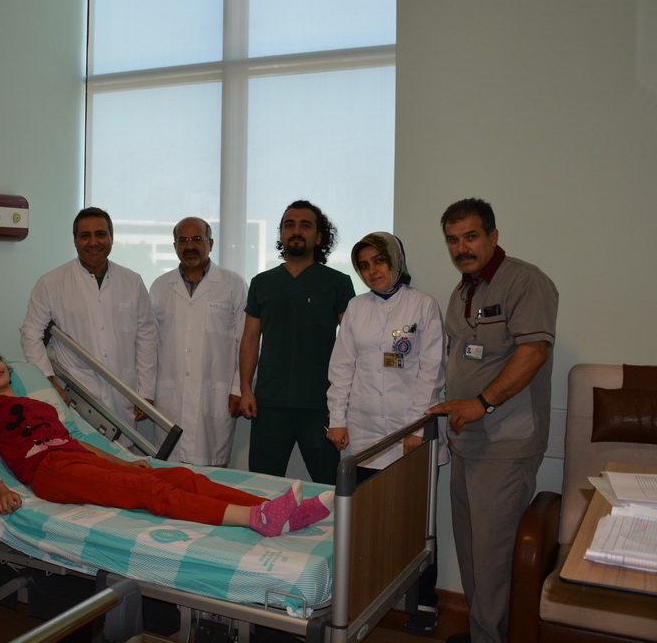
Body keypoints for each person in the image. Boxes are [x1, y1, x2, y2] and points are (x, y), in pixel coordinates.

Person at [0, 345, 334, 536]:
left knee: (183, 477)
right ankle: (257, 520)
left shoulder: (40, 404)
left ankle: (278, 510)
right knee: (151, 491)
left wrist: (122, 463)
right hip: (48, 471)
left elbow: (76, 443)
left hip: (79, 460)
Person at [425, 199, 558, 643]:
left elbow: (533, 353)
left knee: (495, 557)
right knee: (471, 549)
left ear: (493, 236)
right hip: (467, 441)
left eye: (471, 236)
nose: (461, 247)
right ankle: (482, 632)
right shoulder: (462, 292)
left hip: (505, 444)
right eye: (452, 239)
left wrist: (480, 403)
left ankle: (491, 638)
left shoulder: (525, 281)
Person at [325, 231, 446, 636]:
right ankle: (364, 595)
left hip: (409, 433)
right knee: (364, 523)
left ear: (396, 261)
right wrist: (337, 419)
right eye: (363, 265)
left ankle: (424, 602)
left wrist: (416, 429)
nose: (372, 271)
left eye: (378, 261)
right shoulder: (356, 308)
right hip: (361, 432)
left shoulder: (423, 305)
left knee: (415, 523)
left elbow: (431, 373)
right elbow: (342, 367)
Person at [238, 200, 355, 484]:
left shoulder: (337, 283)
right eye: (289, 225)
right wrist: (245, 389)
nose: (296, 231)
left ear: (320, 236)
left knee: (329, 486)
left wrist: (344, 402)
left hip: (320, 404)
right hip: (270, 403)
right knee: (263, 485)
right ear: (281, 235)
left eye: (305, 225)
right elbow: (250, 338)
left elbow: (353, 344)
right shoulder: (262, 283)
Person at [19, 207, 157, 440]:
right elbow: (30, 333)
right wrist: (49, 381)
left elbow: (146, 336)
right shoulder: (51, 282)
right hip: (77, 390)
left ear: (111, 237)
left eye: (100, 234)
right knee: (84, 453)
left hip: (123, 389)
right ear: (75, 240)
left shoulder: (132, 281)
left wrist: (145, 391)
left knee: (125, 456)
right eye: (85, 235)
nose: (93, 242)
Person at [149, 217, 248, 466]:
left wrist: (239, 388)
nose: (190, 246)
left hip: (216, 394)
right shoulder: (160, 286)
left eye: (197, 239)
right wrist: (146, 391)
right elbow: (149, 344)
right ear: (175, 246)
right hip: (170, 396)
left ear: (210, 243)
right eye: (183, 240)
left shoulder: (233, 284)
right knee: (169, 470)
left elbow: (245, 340)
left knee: (211, 470)